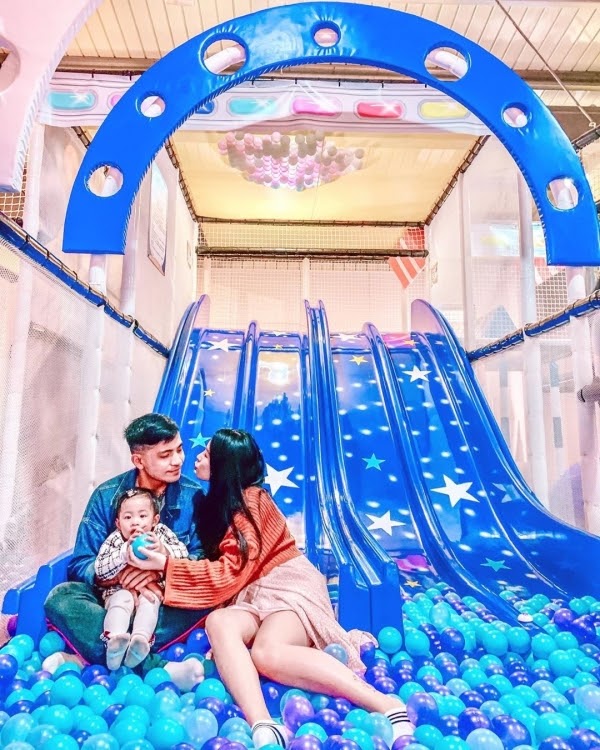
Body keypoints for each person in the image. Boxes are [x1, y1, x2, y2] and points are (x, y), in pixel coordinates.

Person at [127, 428, 414, 748]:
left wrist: (166, 566)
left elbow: (232, 570)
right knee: (219, 622)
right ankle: (262, 722)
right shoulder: (219, 504)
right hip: (250, 593)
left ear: (223, 466)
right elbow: (229, 570)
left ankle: (386, 705)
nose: (197, 458)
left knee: (267, 652)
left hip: (287, 586)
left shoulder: (254, 501)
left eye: (207, 454)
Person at [43, 413, 208, 690]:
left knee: (210, 601)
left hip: (161, 601)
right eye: (166, 455)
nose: (178, 460)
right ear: (138, 460)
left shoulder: (193, 496)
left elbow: (202, 560)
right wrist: (120, 575)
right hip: (111, 601)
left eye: (179, 450)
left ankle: (92, 657)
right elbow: (81, 562)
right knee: (61, 597)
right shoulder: (107, 495)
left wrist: (159, 572)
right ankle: (156, 667)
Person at [95, 488, 191, 671]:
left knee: (151, 601)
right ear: (118, 523)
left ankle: (140, 642)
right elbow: (100, 569)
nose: (135, 522)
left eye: (142, 516)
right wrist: (123, 553)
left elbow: (183, 557)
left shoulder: (161, 534)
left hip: (151, 592)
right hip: (119, 592)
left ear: (155, 520)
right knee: (122, 599)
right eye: (128, 517)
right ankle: (114, 641)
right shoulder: (116, 540)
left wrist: (164, 551)